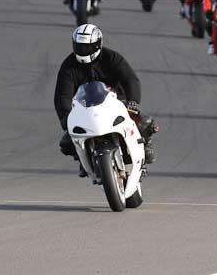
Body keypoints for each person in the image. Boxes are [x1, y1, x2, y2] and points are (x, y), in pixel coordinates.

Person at [54, 24, 158, 174]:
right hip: (86, 108)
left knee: (144, 123)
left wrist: (133, 101)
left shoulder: (111, 58)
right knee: (66, 143)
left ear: (98, 45)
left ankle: (145, 143)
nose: (83, 51)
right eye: (79, 46)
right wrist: (65, 116)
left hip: (116, 102)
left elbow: (130, 79)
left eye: (87, 47)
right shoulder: (69, 66)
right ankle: (83, 157)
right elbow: (62, 94)